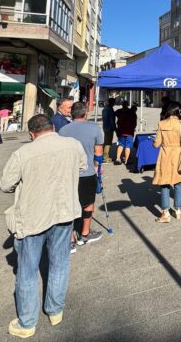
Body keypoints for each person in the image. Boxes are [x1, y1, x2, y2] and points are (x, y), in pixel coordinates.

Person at [0, 114, 87, 338]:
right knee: (60, 263)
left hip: (33, 217)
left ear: (32, 134)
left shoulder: (24, 153)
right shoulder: (72, 145)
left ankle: (27, 322)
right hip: (65, 211)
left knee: (27, 271)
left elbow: (5, 185)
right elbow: (82, 166)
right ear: (52, 127)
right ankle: (55, 310)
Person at [59, 102, 105, 246]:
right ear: (85, 113)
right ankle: (85, 233)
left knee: (69, 204)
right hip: (88, 172)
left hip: (68, 173)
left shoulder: (63, 130)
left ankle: (70, 238)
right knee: (88, 203)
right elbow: (98, 154)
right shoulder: (95, 129)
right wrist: (98, 167)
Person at [153, 102, 181, 222]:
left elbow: (156, 144)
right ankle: (178, 209)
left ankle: (165, 213)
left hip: (165, 156)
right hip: (179, 155)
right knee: (178, 182)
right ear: (177, 111)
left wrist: (155, 141)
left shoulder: (161, 123)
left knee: (164, 183)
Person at [114, 101, 137, 165]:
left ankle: (118, 158)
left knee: (121, 145)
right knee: (128, 146)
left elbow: (113, 114)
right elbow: (134, 123)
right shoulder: (132, 112)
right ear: (127, 105)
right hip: (129, 132)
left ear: (122, 105)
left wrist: (116, 126)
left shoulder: (119, 111)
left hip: (121, 131)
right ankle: (126, 161)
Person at [102, 98, 117, 163]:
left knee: (106, 141)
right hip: (109, 128)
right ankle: (105, 157)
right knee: (108, 143)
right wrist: (115, 128)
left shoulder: (104, 109)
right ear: (112, 103)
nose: (114, 104)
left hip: (105, 127)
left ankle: (106, 155)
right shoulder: (110, 109)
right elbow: (111, 121)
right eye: (114, 102)